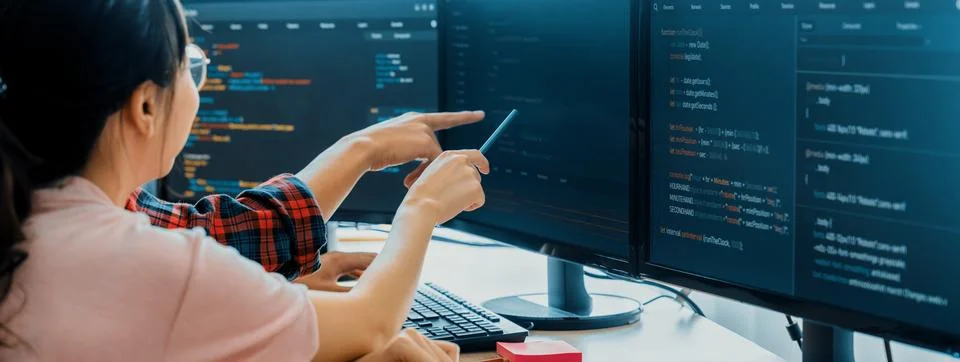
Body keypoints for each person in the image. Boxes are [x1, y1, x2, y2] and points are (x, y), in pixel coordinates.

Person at [0, 0, 488, 361]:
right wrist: (422, 210)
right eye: (190, 66)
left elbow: (216, 233)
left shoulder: (30, 213)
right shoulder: (149, 264)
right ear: (146, 106)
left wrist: (359, 150)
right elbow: (371, 324)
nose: (196, 84)